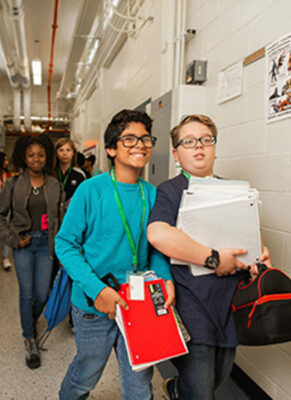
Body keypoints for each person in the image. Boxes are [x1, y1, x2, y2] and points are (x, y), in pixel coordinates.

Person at [146, 115, 271, 399]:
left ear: (215, 147)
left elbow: (250, 234)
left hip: (229, 301)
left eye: (206, 140)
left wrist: (260, 253)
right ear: (177, 153)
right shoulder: (170, 190)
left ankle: (178, 390)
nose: (198, 147)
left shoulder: (234, 189)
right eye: (188, 142)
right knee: (201, 387)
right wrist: (213, 259)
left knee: (222, 371)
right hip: (192, 301)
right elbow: (158, 234)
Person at [56, 109, 175, 400]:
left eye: (146, 139)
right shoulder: (90, 191)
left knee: (139, 384)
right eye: (130, 139)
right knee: (86, 374)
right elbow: (65, 245)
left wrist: (166, 278)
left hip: (140, 303)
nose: (141, 145)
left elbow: (156, 248)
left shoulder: (154, 194)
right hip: (94, 304)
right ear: (111, 148)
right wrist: (97, 290)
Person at [0, 135, 64, 370]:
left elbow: (61, 218)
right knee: (27, 294)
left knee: (42, 293)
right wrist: (13, 239)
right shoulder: (13, 184)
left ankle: (28, 321)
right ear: (23, 156)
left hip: (45, 245)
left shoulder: (54, 185)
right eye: (31, 155)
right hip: (24, 243)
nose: (36, 159)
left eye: (40, 155)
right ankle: (29, 338)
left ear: (47, 157)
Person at [54, 137, 87, 202]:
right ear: (56, 154)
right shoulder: (50, 173)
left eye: (68, 150)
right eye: (61, 150)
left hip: (73, 210)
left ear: (73, 153)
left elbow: (84, 196)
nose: (65, 153)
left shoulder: (80, 174)